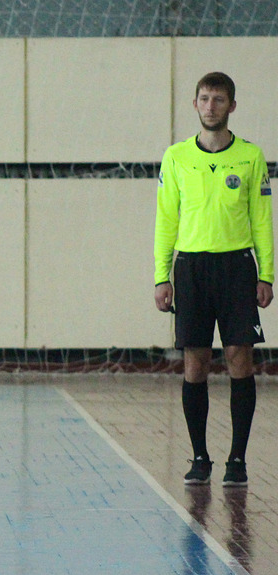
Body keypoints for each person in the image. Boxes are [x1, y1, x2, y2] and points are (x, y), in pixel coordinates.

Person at [154, 72, 274, 487]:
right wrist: (161, 276)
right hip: (191, 269)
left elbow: (262, 220)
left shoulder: (251, 157)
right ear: (195, 104)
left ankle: (237, 460)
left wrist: (267, 273)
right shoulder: (176, 157)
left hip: (237, 268)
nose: (210, 106)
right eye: (204, 99)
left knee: (240, 357)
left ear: (232, 106)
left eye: (218, 99)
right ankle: (200, 457)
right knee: (196, 362)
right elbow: (166, 220)